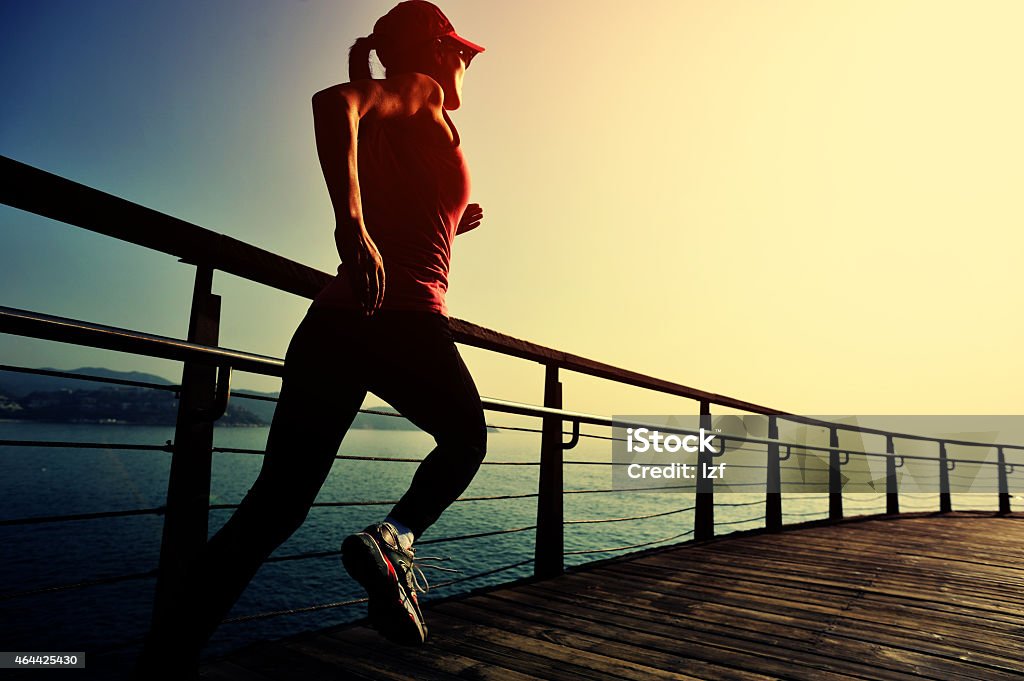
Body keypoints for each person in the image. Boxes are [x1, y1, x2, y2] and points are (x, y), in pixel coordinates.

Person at [136, 1, 486, 674]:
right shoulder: (424, 92)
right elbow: (334, 103)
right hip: (399, 316)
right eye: (461, 51)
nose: (467, 63)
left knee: (272, 509)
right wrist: (350, 226)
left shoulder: (411, 118)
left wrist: (446, 222)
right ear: (436, 51)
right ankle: (393, 540)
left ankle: (163, 659)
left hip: (335, 322)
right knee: (467, 438)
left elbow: (398, 191)